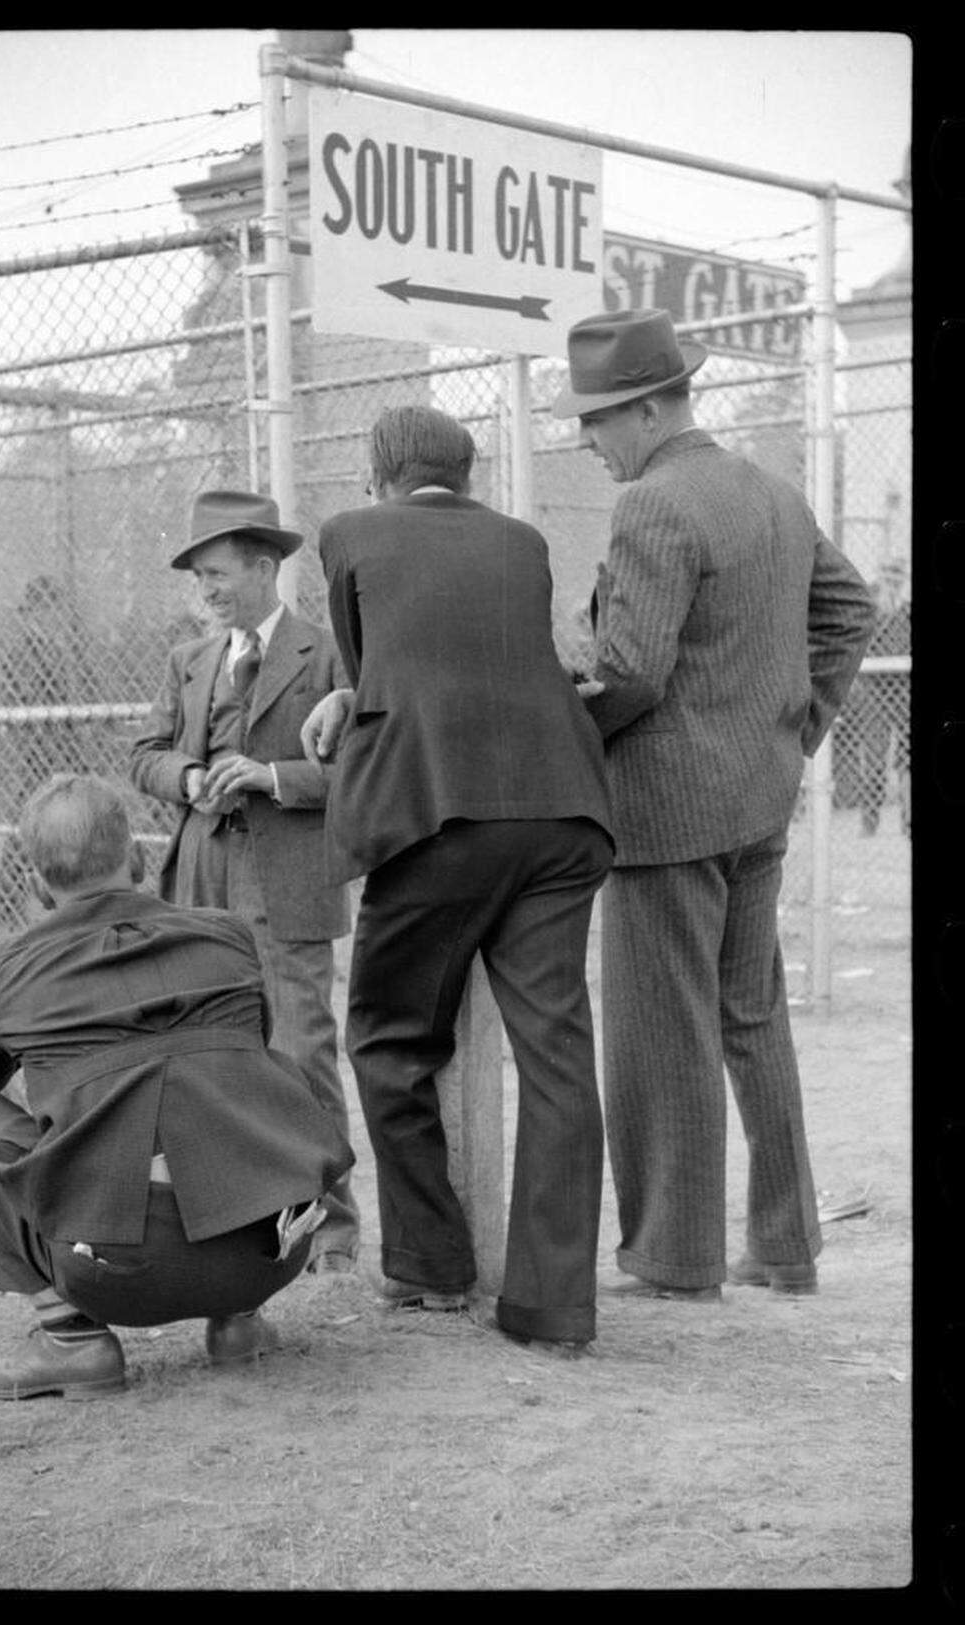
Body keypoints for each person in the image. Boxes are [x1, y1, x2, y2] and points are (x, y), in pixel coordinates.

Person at [552, 308, 876, 1301]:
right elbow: (851, 608)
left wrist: (553, 737)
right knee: (751, 1017)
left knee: (661, 1031)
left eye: (598, 420)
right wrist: (791, 729)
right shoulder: (770, 491)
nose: (589, 441)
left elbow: (631, 675)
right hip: (756, 801)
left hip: (663, 816)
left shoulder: (653, 504)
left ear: (649, 407)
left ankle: (674, 1257)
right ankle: (786, 1246)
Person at [300, 405, 614, 1355]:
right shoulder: (523, 542)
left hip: (440, 816)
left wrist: (349, 691)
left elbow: (375, 662)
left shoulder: (351, 533)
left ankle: (433, 1266)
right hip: (561, 811)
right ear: (467, 473)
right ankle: (555, 1308)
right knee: (557, 1054)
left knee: (389, 1040)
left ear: (379, 470)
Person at [0, 773, 354, 1400]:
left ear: (39, 888)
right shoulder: (226, 935)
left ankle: (72, 1339)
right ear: (141, 859)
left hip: (112, 1271)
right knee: (226, 1079)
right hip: (267, 1259)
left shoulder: (7, 967)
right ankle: (238, 1323)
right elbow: (253, 1046)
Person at [128, 490, 359, 1274]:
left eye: (219, 573)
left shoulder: (326, 653)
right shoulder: (189, 660)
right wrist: (190, 775)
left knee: (299, 1046)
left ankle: (330, 1221)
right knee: (205, 1048)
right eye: (199, 577)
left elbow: (361, 770)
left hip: (287, 878)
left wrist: (269, 774)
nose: (208, 591)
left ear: (265, 567)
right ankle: (232, 1210)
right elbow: (143, 753)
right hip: (200, 872)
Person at [0, 575, 98, 931]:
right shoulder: (25, 650)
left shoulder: (56, 648)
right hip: (38, 752)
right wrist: (45, 748)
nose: (56, 615)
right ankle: (7, 905)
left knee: (44, 825)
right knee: (27, 827)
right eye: (49, 608)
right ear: (37, 610)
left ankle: (34, 903)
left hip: (59, 750)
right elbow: (24, 702)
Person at [851, 557, 912, 837]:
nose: (893, 579)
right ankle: (869, 822)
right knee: (874, 757)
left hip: (902, 687)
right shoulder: (870, 598)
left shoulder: (905, 604)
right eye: (888, 573)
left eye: (897, 574)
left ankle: (907, 822)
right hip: (874, 688)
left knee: (906, 758)